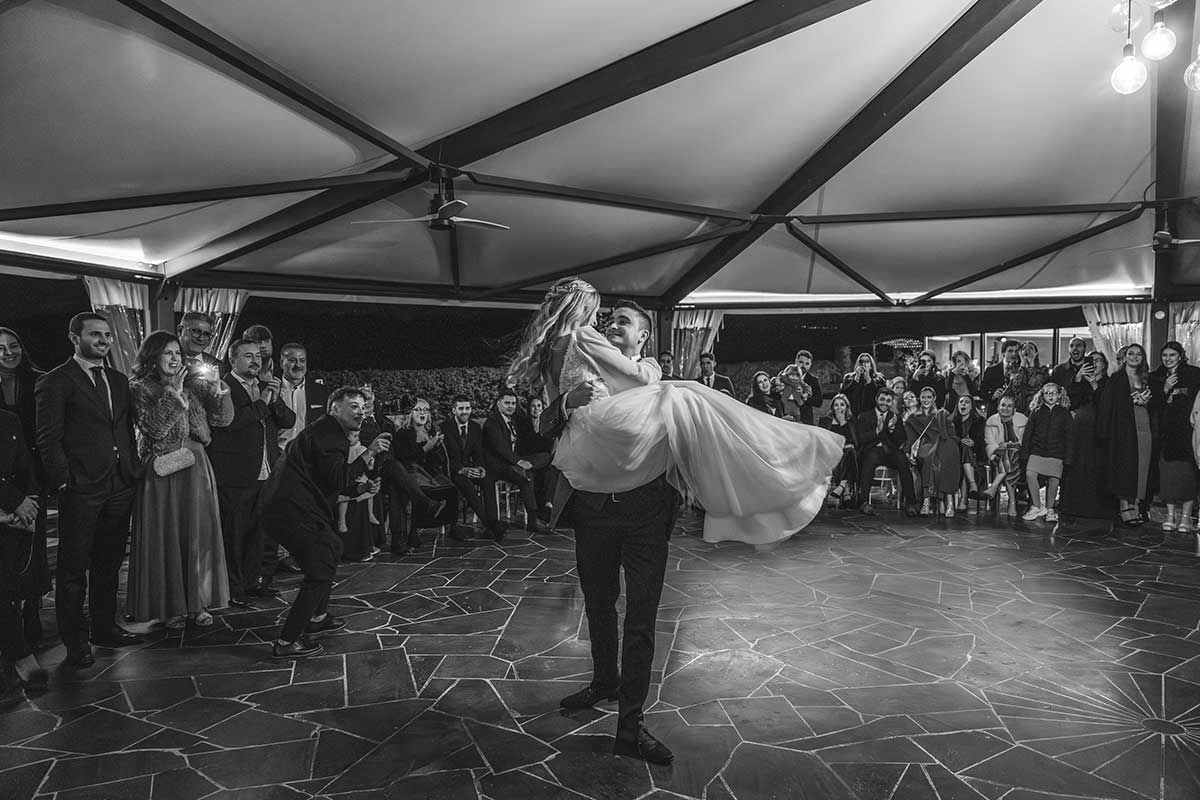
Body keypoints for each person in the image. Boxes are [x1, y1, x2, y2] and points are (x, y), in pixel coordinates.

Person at [514, 283, 842, 763]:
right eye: (610, 319)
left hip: (646, 511)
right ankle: (603, 682)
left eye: (623, 321)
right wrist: (565, 405)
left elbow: (683, 438)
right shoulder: (583, 358)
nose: (611, 324)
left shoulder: (655, 389)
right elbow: (541, 426)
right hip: (591, 508)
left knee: (641, 617)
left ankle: (631, 726)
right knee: (598, 603)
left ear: (642, 339)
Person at [36, 312, 143, 667]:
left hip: (119, 483)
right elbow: (48, 439)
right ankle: (75, 642)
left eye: (108, 335)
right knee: (72, 569)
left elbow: (125, 429)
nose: (104, 340)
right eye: (95, 334)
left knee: (109, 563)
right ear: (74, 337)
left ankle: (104, 628)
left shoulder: (118, 378)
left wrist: (132, 469)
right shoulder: (56, 381)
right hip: (80, 487)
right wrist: (64, 480)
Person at [259, 386, 388, 658]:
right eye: (354, 405)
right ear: (334, 409)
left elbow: (326, 481)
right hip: (290, 509)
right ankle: (287, 642)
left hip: (294, 506)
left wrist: (360, 491)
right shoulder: (330, 435)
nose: (361, 411)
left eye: (363, 407)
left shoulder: (327, 432)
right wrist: (369, 453)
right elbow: (338, 479)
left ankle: (318, 618)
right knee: (319, 567)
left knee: (330, 548)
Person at [128, 331, 233, 628]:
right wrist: (172, 394)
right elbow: (154, 429)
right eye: (167, 353)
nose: (175, 358)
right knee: (167, 537)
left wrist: (218, 390)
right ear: (152, 357)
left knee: (198, 535)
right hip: (164, 469)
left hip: (196, 465)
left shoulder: (193, 387)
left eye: (177, 353)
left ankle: (198, 603)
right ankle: (170, 606)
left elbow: (222, 421)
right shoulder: (138, 388)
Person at [207, 338, 296, 608]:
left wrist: (275, 396)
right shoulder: (223, 387)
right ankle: (233, 588)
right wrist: (263, 402)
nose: (255, 361)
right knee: (234, 534)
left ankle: (252, 582)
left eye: (257, 356)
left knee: (258, 533)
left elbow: (288, 421)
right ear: (233, 360)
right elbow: (230, 424)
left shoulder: (265, 387)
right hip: (234, 473)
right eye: (248, 356)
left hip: (264, 471)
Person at [0, 327, 50, 649]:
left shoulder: (40, 380)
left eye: (13, 345)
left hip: (35, 475)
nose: (8, 352)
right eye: (0, 348)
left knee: (34, 553)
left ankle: (32, 616)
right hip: (4, 479)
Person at [0, 408, 45, 687]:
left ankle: (15, 652)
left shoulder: (9, 420)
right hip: (7, 508)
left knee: (7, 586)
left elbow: (24, 467)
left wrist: (26, 506)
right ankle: (20, 654)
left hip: (10, 517)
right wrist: (13, 503)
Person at [1097, 343, 1159, 527]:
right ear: (1124, 357)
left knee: (1142, 466)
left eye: (1138, 354)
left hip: (1145, 427)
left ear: (1143, 357)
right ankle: (1125, 506)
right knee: (1126, 467)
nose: (1134, 357)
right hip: (1123, 430)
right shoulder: (1116, 379)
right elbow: (1106, 407)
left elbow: (1158, 405)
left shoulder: (1147, 378)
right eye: (1130, 353)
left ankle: (1137, 504)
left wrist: (1148, 400)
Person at [482, 388, 548, 536]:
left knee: (545, 456)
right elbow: (501, 448)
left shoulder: (514, 420)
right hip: (498, 465)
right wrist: (519, 461)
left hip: (513, 463)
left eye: (513, 403)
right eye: (507, 403)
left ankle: (535, 518)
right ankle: (533, 520)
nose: (511, 406)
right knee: (526, 477)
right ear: (499, 404)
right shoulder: (492, 423)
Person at [1061, 352, 1116, 523]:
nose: (1095, 364)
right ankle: (1072, 505)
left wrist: (1094, 386)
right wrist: (1078, 379)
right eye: (1092, 361)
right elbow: (1071, 402)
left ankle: (1096, 506)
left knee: (1095, 465)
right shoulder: (1080, 381)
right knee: (1077, 463)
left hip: (1099, 429)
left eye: (1099, 360)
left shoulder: (1109, 382)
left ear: (1105, 365)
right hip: (1079, 429)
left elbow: (1107, 406)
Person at [441, 396, 505, 541]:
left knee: (487, 480)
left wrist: (480, 467)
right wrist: (462, 470)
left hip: (470, 468)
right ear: (454, 410)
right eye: (461, 408)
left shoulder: (475, 427)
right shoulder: (445, 427)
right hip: (453, 470)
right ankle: (489, 524)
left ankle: (492, 522)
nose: (465, 412)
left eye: (467, 408)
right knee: (465, 483)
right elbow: (445, 458)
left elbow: (478, 453)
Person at [1153, 342, 1200, 531]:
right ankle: (1171, 516)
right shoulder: (1156, 376)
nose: (1168, 359)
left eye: (1172, 355)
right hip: (1165, 433)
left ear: (1180, 356)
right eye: (1165, 355)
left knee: (1188, 475)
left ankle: (1186, 518)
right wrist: (1164, 388)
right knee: (1168, 476)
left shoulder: (1194, 373)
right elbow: (1153, 404)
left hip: (1188, 432)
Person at [854, 387, 918, 516]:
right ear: (876, 399)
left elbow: (901, 440)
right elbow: (860, 439)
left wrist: (892, 430)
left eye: (888, 401)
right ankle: (864, 502)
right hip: (872, 450)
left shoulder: (895, 418)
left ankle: (911, 503)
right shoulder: (864, 416)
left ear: (891, 402)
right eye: (882, 399)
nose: (885, 403)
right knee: (870, 459)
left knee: (903, 461)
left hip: (890, 451)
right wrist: (877, 431)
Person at [905, 386, 961, 516]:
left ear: (934, 398)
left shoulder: (942, 413)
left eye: (929, 397)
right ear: (919, 398)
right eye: (923, 397)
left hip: (943, 443)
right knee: (930, 456)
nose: (926, 400)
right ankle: (928, 500)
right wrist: (908, 452)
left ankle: (948, 501)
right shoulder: (913, 418)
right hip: (926, 445)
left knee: (947, 452)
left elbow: (952, 434)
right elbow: (910, 439)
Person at [1020, 383, 1072, 523]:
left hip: (1056, 452)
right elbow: (1028, 434)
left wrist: (1068, 457)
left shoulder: (1064, 413)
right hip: (1037, 451)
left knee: (1054, 480)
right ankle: (1036, 506)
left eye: (1053, 393)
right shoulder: (1036, 412)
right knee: (1030, 474)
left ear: (1059, 395)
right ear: (1042, 395)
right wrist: (1024, 453)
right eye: (1047, 393)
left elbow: (1069, 437)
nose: (1050, 395)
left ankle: (1050, 509)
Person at [983, 394, 1027, 517]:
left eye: (1009, 406)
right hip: (996, 454)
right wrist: (1004, 447)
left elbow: (1024, 442)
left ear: (1014, 409)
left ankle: (994, 486)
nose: (1005, 408)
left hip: (1018, 455)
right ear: (998, 407)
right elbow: (990, 442)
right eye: (1003, 405)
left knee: (1010, 455)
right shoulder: (991, 421)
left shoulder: (1022, 420)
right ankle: (1012, 502)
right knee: (1008, 459)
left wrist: (1007, 445)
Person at [950, 394, 987, 508]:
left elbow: (982, 440)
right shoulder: (953, 421)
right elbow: (951, 438)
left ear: (972, 406)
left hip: (975, 454)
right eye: (961, 402)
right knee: (965, 452)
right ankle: (972, 485)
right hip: (956, 454)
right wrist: (960, 441)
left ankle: (964, 499)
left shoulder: (979, 421)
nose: (963, 404)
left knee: (967, 452)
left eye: (966, 402)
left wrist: (974, 443)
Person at [820, 393, 857, 507]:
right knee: (848, 452)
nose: (839, 408)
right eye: (836, 405)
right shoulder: (825, 421)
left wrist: (843, 422)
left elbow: (854, 441)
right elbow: (822, 439)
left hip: (846, 453)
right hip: (829, 453)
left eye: (842, 405)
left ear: (847, 407)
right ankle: (845, 490)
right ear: (832, 407)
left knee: (850, 450)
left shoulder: (851, 421)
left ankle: (841, 486)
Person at [777, 350, 823, 424]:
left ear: (810, 365)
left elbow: (819, 401)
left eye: (807, 363)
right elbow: (775, 393)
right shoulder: (784, 374)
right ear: (796, 361)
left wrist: (804, 397)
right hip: (784, 417)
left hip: (805, 419)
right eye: (801, 362)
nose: (803, 366)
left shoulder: (813, 380)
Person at [839, 353, 886, 417]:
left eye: (867, 361)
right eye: (861, 361)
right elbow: (843, 396)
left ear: (871, 365)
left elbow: (880, 397)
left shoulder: (879, 379)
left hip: (872, 415)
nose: (864, 364)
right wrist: (856, 379)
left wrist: (869, 380)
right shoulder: (849, 378)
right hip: (853, 414)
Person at [981, 340, 1021, 414]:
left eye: (1016, 351)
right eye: (1010, 351)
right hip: (995, 410)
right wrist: (992, 395)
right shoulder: (991, 370)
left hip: (1016, 411)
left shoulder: (1022, 370)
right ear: (1003, 353)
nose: (1014, 354)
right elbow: (982, 392)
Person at [1050, 336, 1091, 408]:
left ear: (1085, 349)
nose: (1074, 348)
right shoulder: (1059, 370)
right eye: (1071, 346)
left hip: (1086, 414)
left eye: (1078, 345)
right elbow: (1054, 393)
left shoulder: (1091, 368)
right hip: (1064, 411)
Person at [1009, 341, 1048, 414]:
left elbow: (1033, 384)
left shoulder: (1043, 370)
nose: (1027, 350)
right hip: (1017, 407)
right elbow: (1016, 384)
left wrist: (1031, 364)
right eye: (1024, 348)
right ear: (1020, 353)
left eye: (1031, 348)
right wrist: (1022, 365)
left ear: (1036, 353)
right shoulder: (1013, 369)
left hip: (1035, 407)